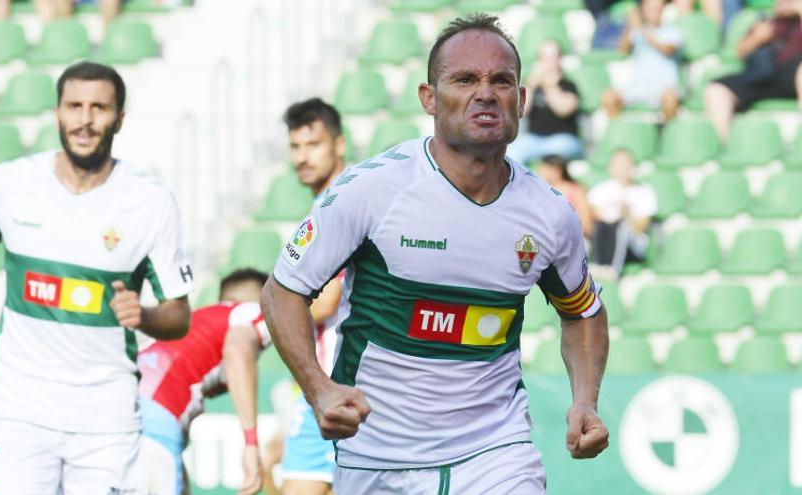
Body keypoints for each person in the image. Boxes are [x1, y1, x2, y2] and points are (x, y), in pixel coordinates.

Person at [261, 13, 610, 494]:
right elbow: (282, 293)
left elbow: (584, 313)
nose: (485, 93)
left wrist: (585, 400)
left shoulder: (550, 214)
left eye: (501, 81)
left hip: (496, 451)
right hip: (377, 456)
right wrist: (317, 388)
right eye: (465, 79)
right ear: (429, 98)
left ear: (522, 100)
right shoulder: (373, 190)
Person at [0, 61, 193, 494]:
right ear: (57, 112)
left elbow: (180, 315)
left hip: (107, 417)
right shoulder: (11, 183)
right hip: (21, 408)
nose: (85, 120)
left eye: (99, 108)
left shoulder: (150, 203)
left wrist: (145, 315)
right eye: (74, 106)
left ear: (119, 118)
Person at [138, 268, 271, 495]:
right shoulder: (254, 312)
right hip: (156, 420)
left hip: (119, 411)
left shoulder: (198, 320)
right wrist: (250, 444)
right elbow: (238, 350)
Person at [273, 97, 347, 495]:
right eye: (295, 147)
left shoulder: (336, 206)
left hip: (334, 383)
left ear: (339, 145)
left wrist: (275, 315)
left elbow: (326, 301)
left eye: (313, 145)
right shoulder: (335, 202)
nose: (302, 157)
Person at [704, 0, 802, 141]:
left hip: (792, 78)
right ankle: (722, 146)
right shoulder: (765, 21)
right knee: (716, 88)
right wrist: (756, 38)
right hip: (761, 76)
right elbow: (739, 52)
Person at [601, 0, 683, 122]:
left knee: (671, 98)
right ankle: (621, 133)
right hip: (638, 88)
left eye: (657, 8)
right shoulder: (636, 31)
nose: (654, 12)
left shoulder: (673, 31)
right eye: (650, 8)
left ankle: (666, 136)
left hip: (664, 88)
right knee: (609, 97)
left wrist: (640, 27)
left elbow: (667, 49)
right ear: (643, 11)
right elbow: (622, 49)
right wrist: (630, 25)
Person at [507, 40, 583, 166]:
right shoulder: (532, 85)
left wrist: (549, 85)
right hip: (534, 140)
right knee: (511, 152)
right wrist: (530, 86)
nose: (549, 63)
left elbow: (564, 109)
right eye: (545, 58)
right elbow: (521, 112)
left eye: (553, 57)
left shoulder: (568, 85)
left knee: (555, 156)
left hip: (564, 140)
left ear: (560, 60)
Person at [588, 149, 658, 278]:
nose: (623, 169)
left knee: (621, 227)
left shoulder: (645, 192)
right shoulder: (600, 190)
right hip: (604, 240)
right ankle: (597, 265)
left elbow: (641, 227)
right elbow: (594, 218)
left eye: (627, 164)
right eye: (618, 164)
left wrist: (626, 214)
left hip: (633, 246)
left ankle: (612, 269)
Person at [537, 154, 594, 238]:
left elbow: (587, 226)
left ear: (557, 170)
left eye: (545, 169)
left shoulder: (576, 191)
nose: (540, 172)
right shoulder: (540, 190)